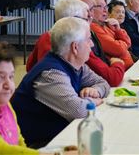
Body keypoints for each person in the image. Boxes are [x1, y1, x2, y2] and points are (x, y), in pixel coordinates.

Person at [11, 17, 110, 148]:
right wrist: (94, 101)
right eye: (88, 39)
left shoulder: (76, 65)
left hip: (58, 134)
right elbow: (79, 110)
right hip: (38, 144)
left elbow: (103, 83)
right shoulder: (51, 74)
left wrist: (96, 90)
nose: (92, 44)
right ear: (75, 47)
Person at [26, 0, 126, 86]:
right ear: (73, 20)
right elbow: (112, 78)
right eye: (86, 17)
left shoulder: (45, 35)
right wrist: (118, 63)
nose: (90, 18)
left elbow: (30, 67)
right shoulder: (76, 42)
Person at [89, 0, 134, 69]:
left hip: (128, 67)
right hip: (120, 71)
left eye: (105, 7)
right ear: (90, 9)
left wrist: (118, 30)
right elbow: (119, 49)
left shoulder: (105, 24)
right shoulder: (94, 27)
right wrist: (123, 44)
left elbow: (128, 43)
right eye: (100, 6)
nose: (105, 10)